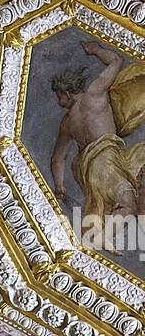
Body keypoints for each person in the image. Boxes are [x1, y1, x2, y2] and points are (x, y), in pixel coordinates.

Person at [50, 38, 145, 218]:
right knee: (128, 206)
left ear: (67, 93)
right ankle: (96, 241)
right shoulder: (95, 93)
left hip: (94, 170)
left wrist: (60, 186)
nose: (59, 101)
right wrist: (96, 50)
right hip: (105, 161)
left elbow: (58, 159)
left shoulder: (67, 123)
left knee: (139, 199)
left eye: (59, 96)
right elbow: (117, 61)